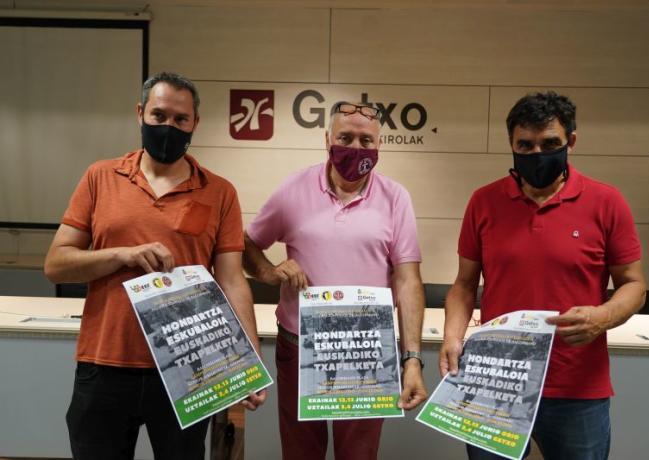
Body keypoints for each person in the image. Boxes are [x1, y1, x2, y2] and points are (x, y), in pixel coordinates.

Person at [44, 71, 265, 460]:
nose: (169, 127)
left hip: (190, 369)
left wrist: (249, 363)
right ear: (140, 113)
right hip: (105, 362)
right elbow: (57, 264)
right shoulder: (101, 176)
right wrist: (121, 254)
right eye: (159, 116)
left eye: (180, 120)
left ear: (195, 123)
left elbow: (232, 281)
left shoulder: (219, 192)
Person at [440, 91, 646, 459]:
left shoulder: (606, 201)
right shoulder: (483, 202)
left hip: (577, 387)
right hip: (495, 381)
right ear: (512, 144)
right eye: (526, 144)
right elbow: (464, 284)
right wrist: (453, 337)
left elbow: (634, 284)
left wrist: (602, 317)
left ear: (572, 141)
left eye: (550, 143)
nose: (537, 154)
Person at [243, 102, 428, 460]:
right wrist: (270, 272)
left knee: (358, 455)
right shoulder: (294, 188)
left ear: (379, 146)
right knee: (301, 453)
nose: (355, 148)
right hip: (299, 347)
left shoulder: (395, 197)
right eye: (345, 137)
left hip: (366, 349)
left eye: (365, 140)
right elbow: (247, 245)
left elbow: (408, 280)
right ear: (328, 139)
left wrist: (412, 360)